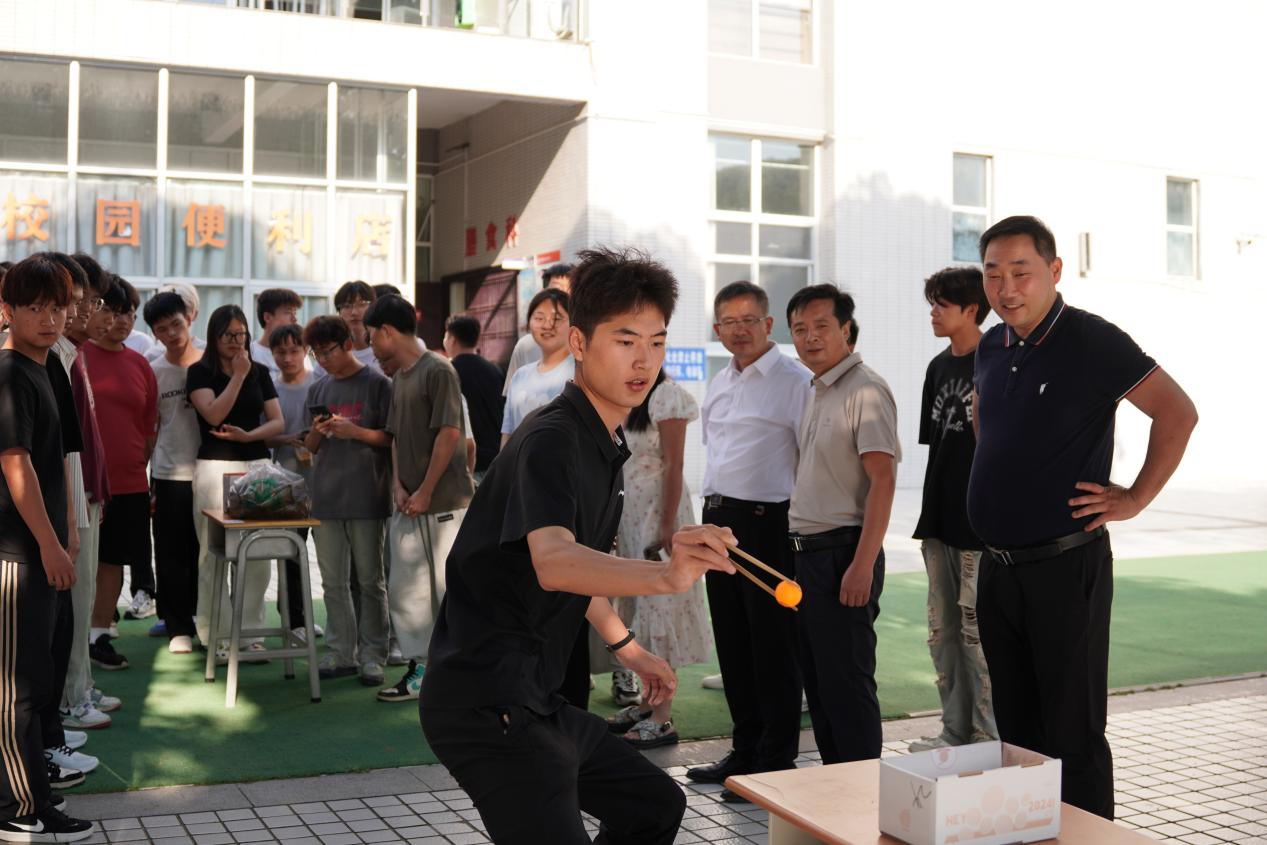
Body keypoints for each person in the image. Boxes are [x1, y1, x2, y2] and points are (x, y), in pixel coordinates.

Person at [419, 246, 738, 845]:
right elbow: (555, 562)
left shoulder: (603, 441)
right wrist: (667, 575)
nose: (644, 360)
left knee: (653, 805)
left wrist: (629, 649)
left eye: (657, 341)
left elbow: (578, 568)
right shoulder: (554, 439)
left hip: (535, 697)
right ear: (580, 343)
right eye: (625, 340)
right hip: (487, 703)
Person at [969, 216, 1197, 819]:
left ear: (1054, 271)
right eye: (993, 274)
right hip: (997, 568)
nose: (1006, 288)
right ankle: (1028, 831)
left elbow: (1177, 412)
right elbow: (987, 421)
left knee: (1072, 731)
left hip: (1066, 566)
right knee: (1017, 732)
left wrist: (1135, 497)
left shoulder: (1093, 341)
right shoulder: (990, 346)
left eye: (1021, 272)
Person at [686, 281, 809, 797]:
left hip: (768, 524)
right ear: (717, 329)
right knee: (734, 642)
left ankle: (776, 760)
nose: (738, 331)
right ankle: (744, 749)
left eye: (748, 320)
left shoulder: (794, 381)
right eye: (728, 322)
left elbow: (808, 457)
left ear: (768, 324)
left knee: (773, 645)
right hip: (718, 523)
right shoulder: (720, 381)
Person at [0, 252, 96, 842]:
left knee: (37, 680)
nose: (48, 318)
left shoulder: (49, 366)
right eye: (34, 307)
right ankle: (18, 808)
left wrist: (69, 529)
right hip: (16, 553)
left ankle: (36, 795)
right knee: (15, 688)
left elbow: (58, 457)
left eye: (57, 307)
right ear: (7, 310)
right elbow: (15, 463)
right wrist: (48, 543)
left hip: (44, 547)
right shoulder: (9, 372)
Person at [787, 284, 899, 766]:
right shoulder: (818, 388)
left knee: (847, 686)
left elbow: (883, 481)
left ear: (846, 330)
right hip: (809, 556)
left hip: (844, 556)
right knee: (821, 684)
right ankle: (836, 786)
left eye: (821, 326)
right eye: (800, 329)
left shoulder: (864, 389)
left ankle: (863, 793)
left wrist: (862, 564)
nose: (810, 337)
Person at [364, 295, 473, 702]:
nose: (370, 345)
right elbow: (395, 438)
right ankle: (423, 669)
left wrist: (426, 490)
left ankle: (456, 675)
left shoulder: (439, 370)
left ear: (387, 332)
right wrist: (398, 485)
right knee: (408, 592)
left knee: (448, 594)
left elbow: (450, 434)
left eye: (371, 336)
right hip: (409, 504)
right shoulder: (401, 377)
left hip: (445, 504)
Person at [908, 267, 997, 752]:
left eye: (942, 304)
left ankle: (986, 735)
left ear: (971, 309)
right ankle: (954, 730)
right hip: (938, 519)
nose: (933, 313)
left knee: (976, 635)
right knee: (941, 632)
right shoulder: (937, 367)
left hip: (978, 524)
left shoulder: (995, 361)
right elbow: (937, 444)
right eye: (932, 304)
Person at [604, 370, 711, 749]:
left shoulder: (668, 396)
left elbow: (674, 464)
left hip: (659, 519)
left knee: (660, 610)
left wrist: (668, 525)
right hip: (633, 519)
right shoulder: (631, 397)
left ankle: (662, 717)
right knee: (638, 611)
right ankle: (648, 706)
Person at [186, 305, 284, 659]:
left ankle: (250, 632)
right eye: (228, 334)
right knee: (213, 554)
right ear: (213, 336)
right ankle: (217, 635)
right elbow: (213, 414)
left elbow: (277, 421)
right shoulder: (199, 372)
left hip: (256, 463)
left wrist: (248, 436)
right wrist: (239, 377)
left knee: (258, 553)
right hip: (215, 466)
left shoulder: (260, 371)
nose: (235, 340)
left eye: (240, 334)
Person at [300, 316, 393, 688]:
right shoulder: (317, 389)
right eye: (317, 353)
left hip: (368, 495)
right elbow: (309, 449)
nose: (323, 360)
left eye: (328, 351)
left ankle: (373, 654)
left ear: (348, 345)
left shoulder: (378, 384)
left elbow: (391, 438)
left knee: (371, 580)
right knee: (333, 582)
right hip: (326, 497)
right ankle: (341, 651)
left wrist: (355, 431)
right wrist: (317, 432)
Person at [81, 276, 158, 671]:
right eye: (112, 310)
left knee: (113, 560)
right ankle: (74, 636)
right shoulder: (77, 355)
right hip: (84, 481)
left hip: (130, 482)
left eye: (129, 313)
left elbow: (149, 427)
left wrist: (137, 466)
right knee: (82, 560)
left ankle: (98, 635)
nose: (121, 320)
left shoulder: (140, 364)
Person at [58, 255, 116, 730]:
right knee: (75, 605)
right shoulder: (56, 354)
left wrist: (99, 491)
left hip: (87, 495)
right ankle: (70, 698)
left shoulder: (73, 354)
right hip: (72, 501)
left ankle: (80, 685)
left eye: (91, 301)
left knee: (86, 594)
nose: (90, 312)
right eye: (85, 301)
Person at [145, 292, 205, 655]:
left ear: (190, 319)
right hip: (168, 473)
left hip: (210, 470)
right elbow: (150, 426)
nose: (171, 333)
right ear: (153, 333)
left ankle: (204, 617)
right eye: (161, 329)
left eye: (176, 324)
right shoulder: (153, 371)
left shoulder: (211, 363)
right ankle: (177, 625)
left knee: (206, 551)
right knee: (170, 553)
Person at [264, 323, 318, 641]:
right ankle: (294, 619)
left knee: (328, 557)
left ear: (306, 350)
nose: (287, 358)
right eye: (280, 352)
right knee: (290, 554)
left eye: (294, 351)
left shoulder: (319, 384)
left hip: (321, 482)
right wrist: (289, 438)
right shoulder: (270, 389)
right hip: (285, 483)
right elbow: (262, 436)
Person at [501, 288, 573, 446]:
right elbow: (508, 434)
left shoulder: (581, 372)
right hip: (520, 461)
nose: (547, 325)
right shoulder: (519, 376)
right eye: (539, 318)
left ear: (573, 324)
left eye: (557, 318)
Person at [442, 314, 503, 481]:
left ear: (452, 340)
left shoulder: (448, 373)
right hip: (496, 460)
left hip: (467, 463)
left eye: (446, 336)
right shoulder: (495, 370)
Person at [501, 262, 572, 395]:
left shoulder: (586, 344)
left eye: (569, 291)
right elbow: (511, 397)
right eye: (556, 290)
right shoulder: (525, 346)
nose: (562, 297)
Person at [250, 288, 303, 377]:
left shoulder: (299, 352)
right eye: (288, 312)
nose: (294, 319)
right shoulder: (250, 354)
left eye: (295, 313)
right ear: (267, 317)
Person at [335, 281, 380, 372]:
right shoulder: (334, 352)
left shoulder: (383, 350)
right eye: (346, 306)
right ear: (339, 312)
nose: (354, 312)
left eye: (361, 304)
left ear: (372, 307)